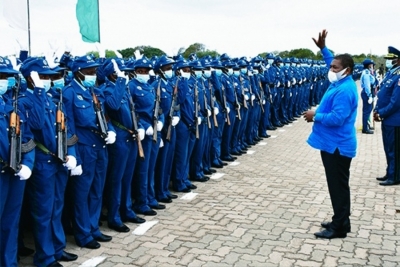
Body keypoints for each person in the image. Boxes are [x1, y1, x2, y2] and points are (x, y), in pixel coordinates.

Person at [304, 29, 358, 239]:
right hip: (333, 145)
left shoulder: (345, 90)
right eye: (331, 66)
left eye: (335, 68)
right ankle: (341, 220)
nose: (331, 70)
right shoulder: (341, 81)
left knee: (338, 187)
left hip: (338, 146)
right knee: (337, 185)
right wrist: (323, 49)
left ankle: (339, 227)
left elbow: (337, 118)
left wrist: (315, 115)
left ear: (347, 70)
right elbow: (333, 62)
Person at [0, 57, 35, 267]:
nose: (3, 81)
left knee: (10, 224)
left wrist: (28, 163)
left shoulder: (10, 104)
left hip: (14, 173)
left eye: (5, 76)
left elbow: (27, 136)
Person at [374, 46, 400, 186]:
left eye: (392, 59)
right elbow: (382, 94)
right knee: (388, 148)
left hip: (395, 120)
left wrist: (381, 112)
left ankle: (394, 176)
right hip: (387, 119)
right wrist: (377, 110)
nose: (389, 62)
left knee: (394, 150)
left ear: (398, 60)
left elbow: (395, 102)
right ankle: (390, 172)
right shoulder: (392, 74)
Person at [360, 58, 376, 134]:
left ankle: (367, 125)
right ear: (369, 65)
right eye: (372, 65)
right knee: (366, 111)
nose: (373, 66)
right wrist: (369, 95)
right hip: (367, 93)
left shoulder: (369, 72)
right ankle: (365, 128)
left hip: (369, 92)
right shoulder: (366, 73)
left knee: (369, 110)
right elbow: (367, 85)